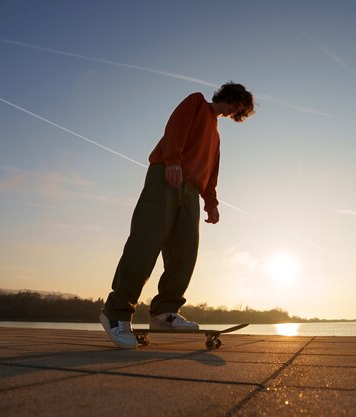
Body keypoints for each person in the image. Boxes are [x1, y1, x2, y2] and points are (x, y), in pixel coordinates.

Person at [100, 82, 255, 349]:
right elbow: (175, 128)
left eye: (241, 110)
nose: (237, 111)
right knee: (146, 243)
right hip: (168, 175)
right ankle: (116, 313)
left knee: (185, 251)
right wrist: (172, 160)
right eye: (238, 105)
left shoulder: (216, 136)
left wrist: (211, 202)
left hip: (192, 190)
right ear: (231, 97)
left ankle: (164, 313)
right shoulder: (196, 102)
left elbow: (212, 171)